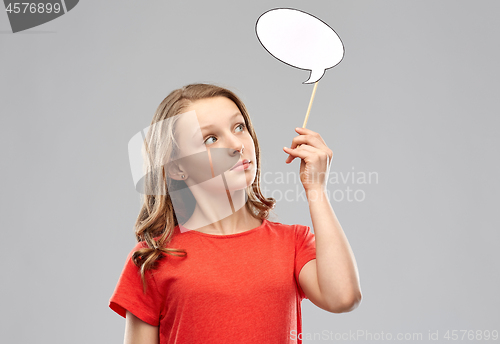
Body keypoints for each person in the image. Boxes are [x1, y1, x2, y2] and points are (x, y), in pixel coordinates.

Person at [109, 83, 362, 344]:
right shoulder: (153, 259)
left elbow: (343, 297)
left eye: (239, 127)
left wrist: (316, 189)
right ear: (177, 168)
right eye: (211, 139)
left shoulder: (293, 243)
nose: (236, 145)